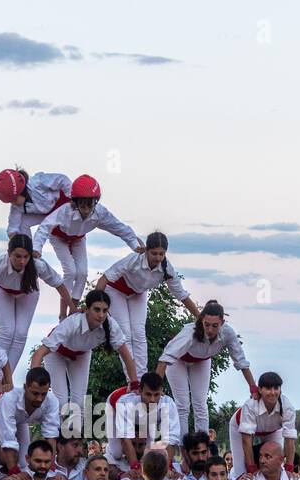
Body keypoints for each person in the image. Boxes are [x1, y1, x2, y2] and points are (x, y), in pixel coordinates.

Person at [0, 234, 73, 378]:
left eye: (26, 256)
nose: (22, 261)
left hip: (28, 293)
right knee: (7, 331)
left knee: (20, 333)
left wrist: (72, 308)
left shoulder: (38, 265)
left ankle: (7, 378)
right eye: (17, 256)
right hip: (2, 292)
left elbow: (59, 284)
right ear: (9, 253)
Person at [33, 174, 143, 320]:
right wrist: (36, 248)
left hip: (79, 239)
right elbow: (45, 227)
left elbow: (120, 228)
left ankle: (73, 310)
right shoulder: (66, 211)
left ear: (95, 202)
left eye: (89, 204)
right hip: (58, 237)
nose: (86, 209)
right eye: (82, 204)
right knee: (71, 272)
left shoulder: (100, 213)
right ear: (75, 202)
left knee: (83, 272)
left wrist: (135, 245)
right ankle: (62, 313)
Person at [93, 230, 201, 374]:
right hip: (115, 291)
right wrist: (95, 306)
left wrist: (200, 318)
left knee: (139, 333)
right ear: (146, 251)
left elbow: (182, 295)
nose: (157, 258)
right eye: (154, 253)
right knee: (125, 332)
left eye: (161, 254)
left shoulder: (166, 268)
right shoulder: (134, 259)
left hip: (138, 293)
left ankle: (142, 376)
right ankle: (132, 379)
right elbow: (105, 278)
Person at [31, 289, 138, 414]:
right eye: (97, 309)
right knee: (61, 401)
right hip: (56, 354)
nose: (101, 315)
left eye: (105, 310)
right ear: (86, 309)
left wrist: (135, 384)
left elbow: (126, 356)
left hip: (82, 355)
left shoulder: (111, 325)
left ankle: (75, 433)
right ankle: (55, 432)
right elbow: (38, 354)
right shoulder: (73, 323)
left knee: (80, 403)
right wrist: (34, 382)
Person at [156, 300, 254, 434]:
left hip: (202, 361)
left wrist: (253, 387)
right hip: (178, 361)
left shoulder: (228, 333)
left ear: (222, 323)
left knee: (200, 404)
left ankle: (202, 446)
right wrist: (156, 387)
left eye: (215, 326)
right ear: (201, 320)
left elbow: (241, 361)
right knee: (183, 405)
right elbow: (166, 357)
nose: (210, 330)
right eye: (206, 325)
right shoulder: (190, 331)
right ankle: (183, 447)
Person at [0, 368, 61, 476]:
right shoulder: (9, 399)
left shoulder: (52, 401)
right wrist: (14, 473)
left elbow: (51, 436)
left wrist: (52, 470)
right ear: (25, 387)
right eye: (35, 393)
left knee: (23, 463)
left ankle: (1, 457)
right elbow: (8, 439)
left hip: (20, 419)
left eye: (43, 394)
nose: (39, 399)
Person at [104, 373, 181, 475]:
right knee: (117, 453)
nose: (152, 400)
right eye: (148, 394)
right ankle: (108, 452)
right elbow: (125, 438)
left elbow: (172, 438)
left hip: (147, 416)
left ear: (161, 392)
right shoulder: (125, 403)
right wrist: (135, 467)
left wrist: (168, 467)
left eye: (156, 394)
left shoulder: (168, 404)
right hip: (113, 405)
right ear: (140, 391)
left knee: (148, 453)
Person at [226, 372, 297, 480]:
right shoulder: (250, 405)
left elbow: (290, 441)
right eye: (268, 388)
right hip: (239, 428)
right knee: (243, 473)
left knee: (276, 468)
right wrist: (251, 468)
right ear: (260, 390)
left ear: (280, 390)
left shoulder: (288, 407)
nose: (273, 392)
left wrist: (289, 468)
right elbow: (247, 441)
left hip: (273, 430)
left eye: (276, 388)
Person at [0, 167, 71, 238]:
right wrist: (14, 239)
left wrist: (72, 199)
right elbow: (13, 226)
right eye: (10, 201)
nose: (13, 203)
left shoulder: (38, 182)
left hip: (62, 205)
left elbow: (63, 180)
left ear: (22, 190)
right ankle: (27, 248)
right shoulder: (16, 206)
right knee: (21, 222)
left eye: (14, 199)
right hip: (47, 215)